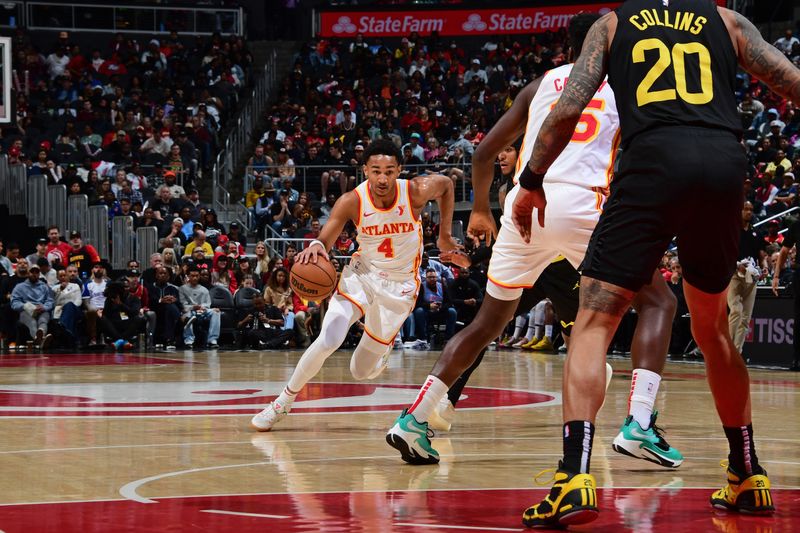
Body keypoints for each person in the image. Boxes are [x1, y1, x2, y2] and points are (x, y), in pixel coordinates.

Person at [511, 2, 798, 525]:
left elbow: (569, 108)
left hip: (654, 161)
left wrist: (531, 181)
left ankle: (573, 478)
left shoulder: (613, 24)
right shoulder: (728, 21)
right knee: (711, 329)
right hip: (722, 163)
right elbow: (790, 80)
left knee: (596, 318)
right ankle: (748, 474)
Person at [387, 14, 682, 475]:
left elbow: (484, 151)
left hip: (524, 206)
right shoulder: (626, 85)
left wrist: (482, 210)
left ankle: (415, 418)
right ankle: (640, 422)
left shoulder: (541, 84)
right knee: (660, 302)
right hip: (582, 205)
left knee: (486, 324)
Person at [251, 139, 457, 431]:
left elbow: (447, 185)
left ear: (399, 170)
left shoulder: (414, 191)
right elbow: (325, 238)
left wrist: (445, 235)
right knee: (330, 337)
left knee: (360, 371)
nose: (382, 178)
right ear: (365, 171)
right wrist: (317, 246)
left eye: (389, 171)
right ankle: (282, 403)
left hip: (399, 288)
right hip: (363, 275)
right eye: (376, 171)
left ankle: (381, 352)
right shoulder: (352, 201)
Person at [729, 201, 767, 354]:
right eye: (746, 209)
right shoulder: (731, 231)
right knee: (736, 311)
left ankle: (736, 352)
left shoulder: (756, 233)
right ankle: (729, 347)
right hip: (734, 275)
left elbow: (762, 255)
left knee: (745, 317)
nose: (749, 212)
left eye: (751, 210)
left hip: (751, 277)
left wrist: (764, 266)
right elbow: (724, 253)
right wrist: (737, 264)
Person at [772, 218, 800, 371]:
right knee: (799, 318)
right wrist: (776, 276)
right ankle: (797, 359)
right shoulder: (796, 225)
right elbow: (783, 251)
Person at [10, 263, 54, 348]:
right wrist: (25, 306)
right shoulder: (19, 287)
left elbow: (50, 301)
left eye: (36, 272)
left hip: (42, 310)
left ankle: (40, 338)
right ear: (28, 273)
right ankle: (40, 340)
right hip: (26, 312)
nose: (34, 274)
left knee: (43, 320)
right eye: (32, 271)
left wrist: (44, 307)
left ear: (39, 274)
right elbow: (14, 303)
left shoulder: (44, 287)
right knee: (32, 322)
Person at [179, 266, 220, 349]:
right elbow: (183, 305)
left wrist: (202, 307)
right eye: (192, 276)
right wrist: (193, 307)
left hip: (202, 311)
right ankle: (189, 340)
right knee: (188, 314)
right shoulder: (182, 289)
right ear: (188, 276)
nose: (195, 278)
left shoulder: (204, 290)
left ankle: (212, 340)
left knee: (216, 312)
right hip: (190, 311)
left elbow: (207, 304)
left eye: (197, 276)